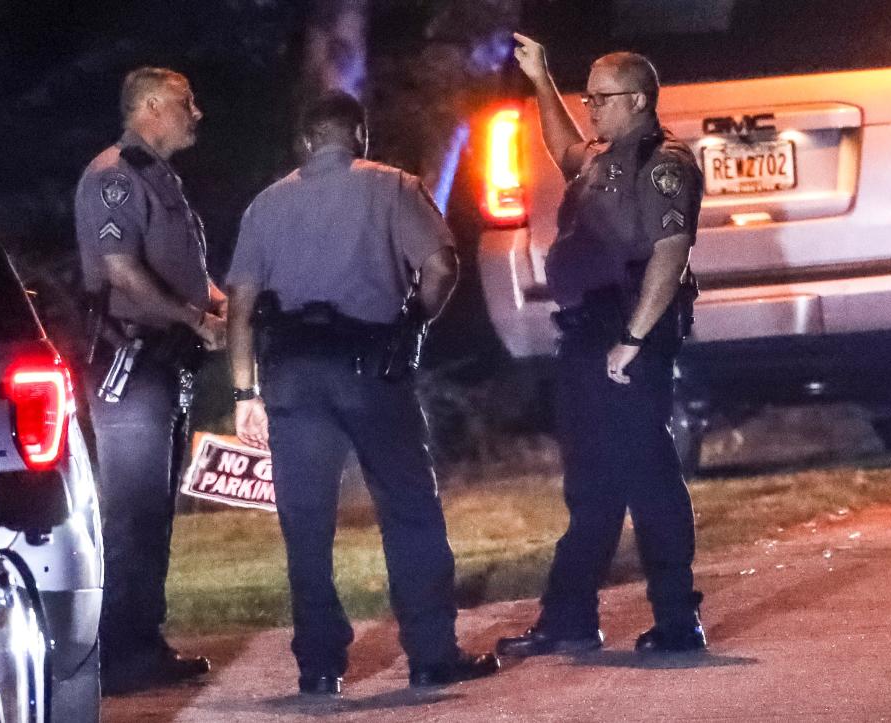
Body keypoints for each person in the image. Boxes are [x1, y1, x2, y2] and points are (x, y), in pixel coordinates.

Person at [225, 91, 500, 696]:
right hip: (371, 368)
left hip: (292, 373)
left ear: (305, 142)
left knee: (306, 523)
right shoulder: (395, 188)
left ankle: (319, 666)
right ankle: (431, 653)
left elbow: (240, 306)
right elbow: (442, 266)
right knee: (408, 509)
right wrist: (415, 321)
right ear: (360, 136)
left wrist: (245, 391)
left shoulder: (266, 204)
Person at [495, 36, 707, 657]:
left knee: (648, 476)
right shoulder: (601, 157)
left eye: (601, 97)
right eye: (586, 97)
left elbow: (671, 254)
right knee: (589, 477)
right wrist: (541, 78)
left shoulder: (663, 163)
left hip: (627, 330)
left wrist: (635, 338)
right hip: (588, 332)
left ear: (638, 100)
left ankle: (676, 620)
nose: (590, 108)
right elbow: (563, 148)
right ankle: (570, 617)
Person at [74, 66, 226, 689]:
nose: (198, 113)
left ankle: (142, 643)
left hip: (163, 362)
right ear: (154, 106)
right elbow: (120, 271)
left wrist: (226, 306)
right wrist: (196, 317)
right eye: (188, 102)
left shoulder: (158, 178)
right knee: (132, 513)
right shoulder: (114, 176)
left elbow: (184, 273)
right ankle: (120, 653)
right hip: (130, 363)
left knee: (154, 510)